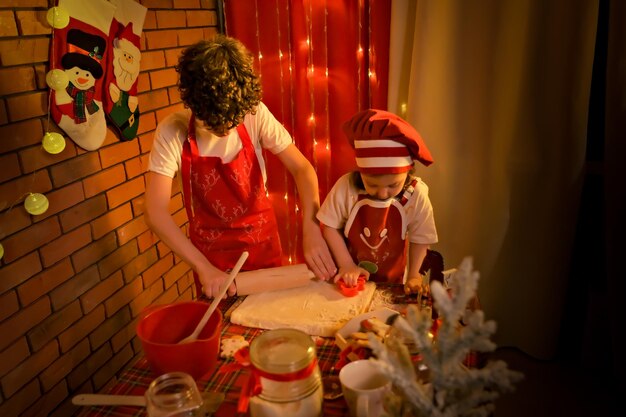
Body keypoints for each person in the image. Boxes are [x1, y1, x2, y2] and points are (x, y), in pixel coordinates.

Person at [145, 35, 335, 299]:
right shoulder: (172, 130)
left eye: (232, 122)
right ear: (193, 104)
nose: (225, 131)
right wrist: (203, 268)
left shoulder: (255, 113)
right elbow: (155, 212)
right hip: (211, 261)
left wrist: (312, 228)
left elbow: (302, 169)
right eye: (213, 125)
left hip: (263, 248)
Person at [316, 109, 438, 294]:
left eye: (393, 185)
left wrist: (414, 275)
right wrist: (347, 265)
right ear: (360, 172)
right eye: (371, 184)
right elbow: (330, 226)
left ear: (409, 171)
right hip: (349, 282)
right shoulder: (346, 187)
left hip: (395, 282)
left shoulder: (417, 194)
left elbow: (421, 238)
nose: (382, 193)